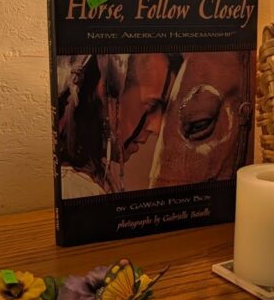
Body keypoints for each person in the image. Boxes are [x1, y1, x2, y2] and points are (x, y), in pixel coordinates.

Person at [56, 52, 183, 197]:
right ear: (107, 93)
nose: (157, 127)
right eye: (152, 106)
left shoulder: (82, 182)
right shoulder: (76, 191)